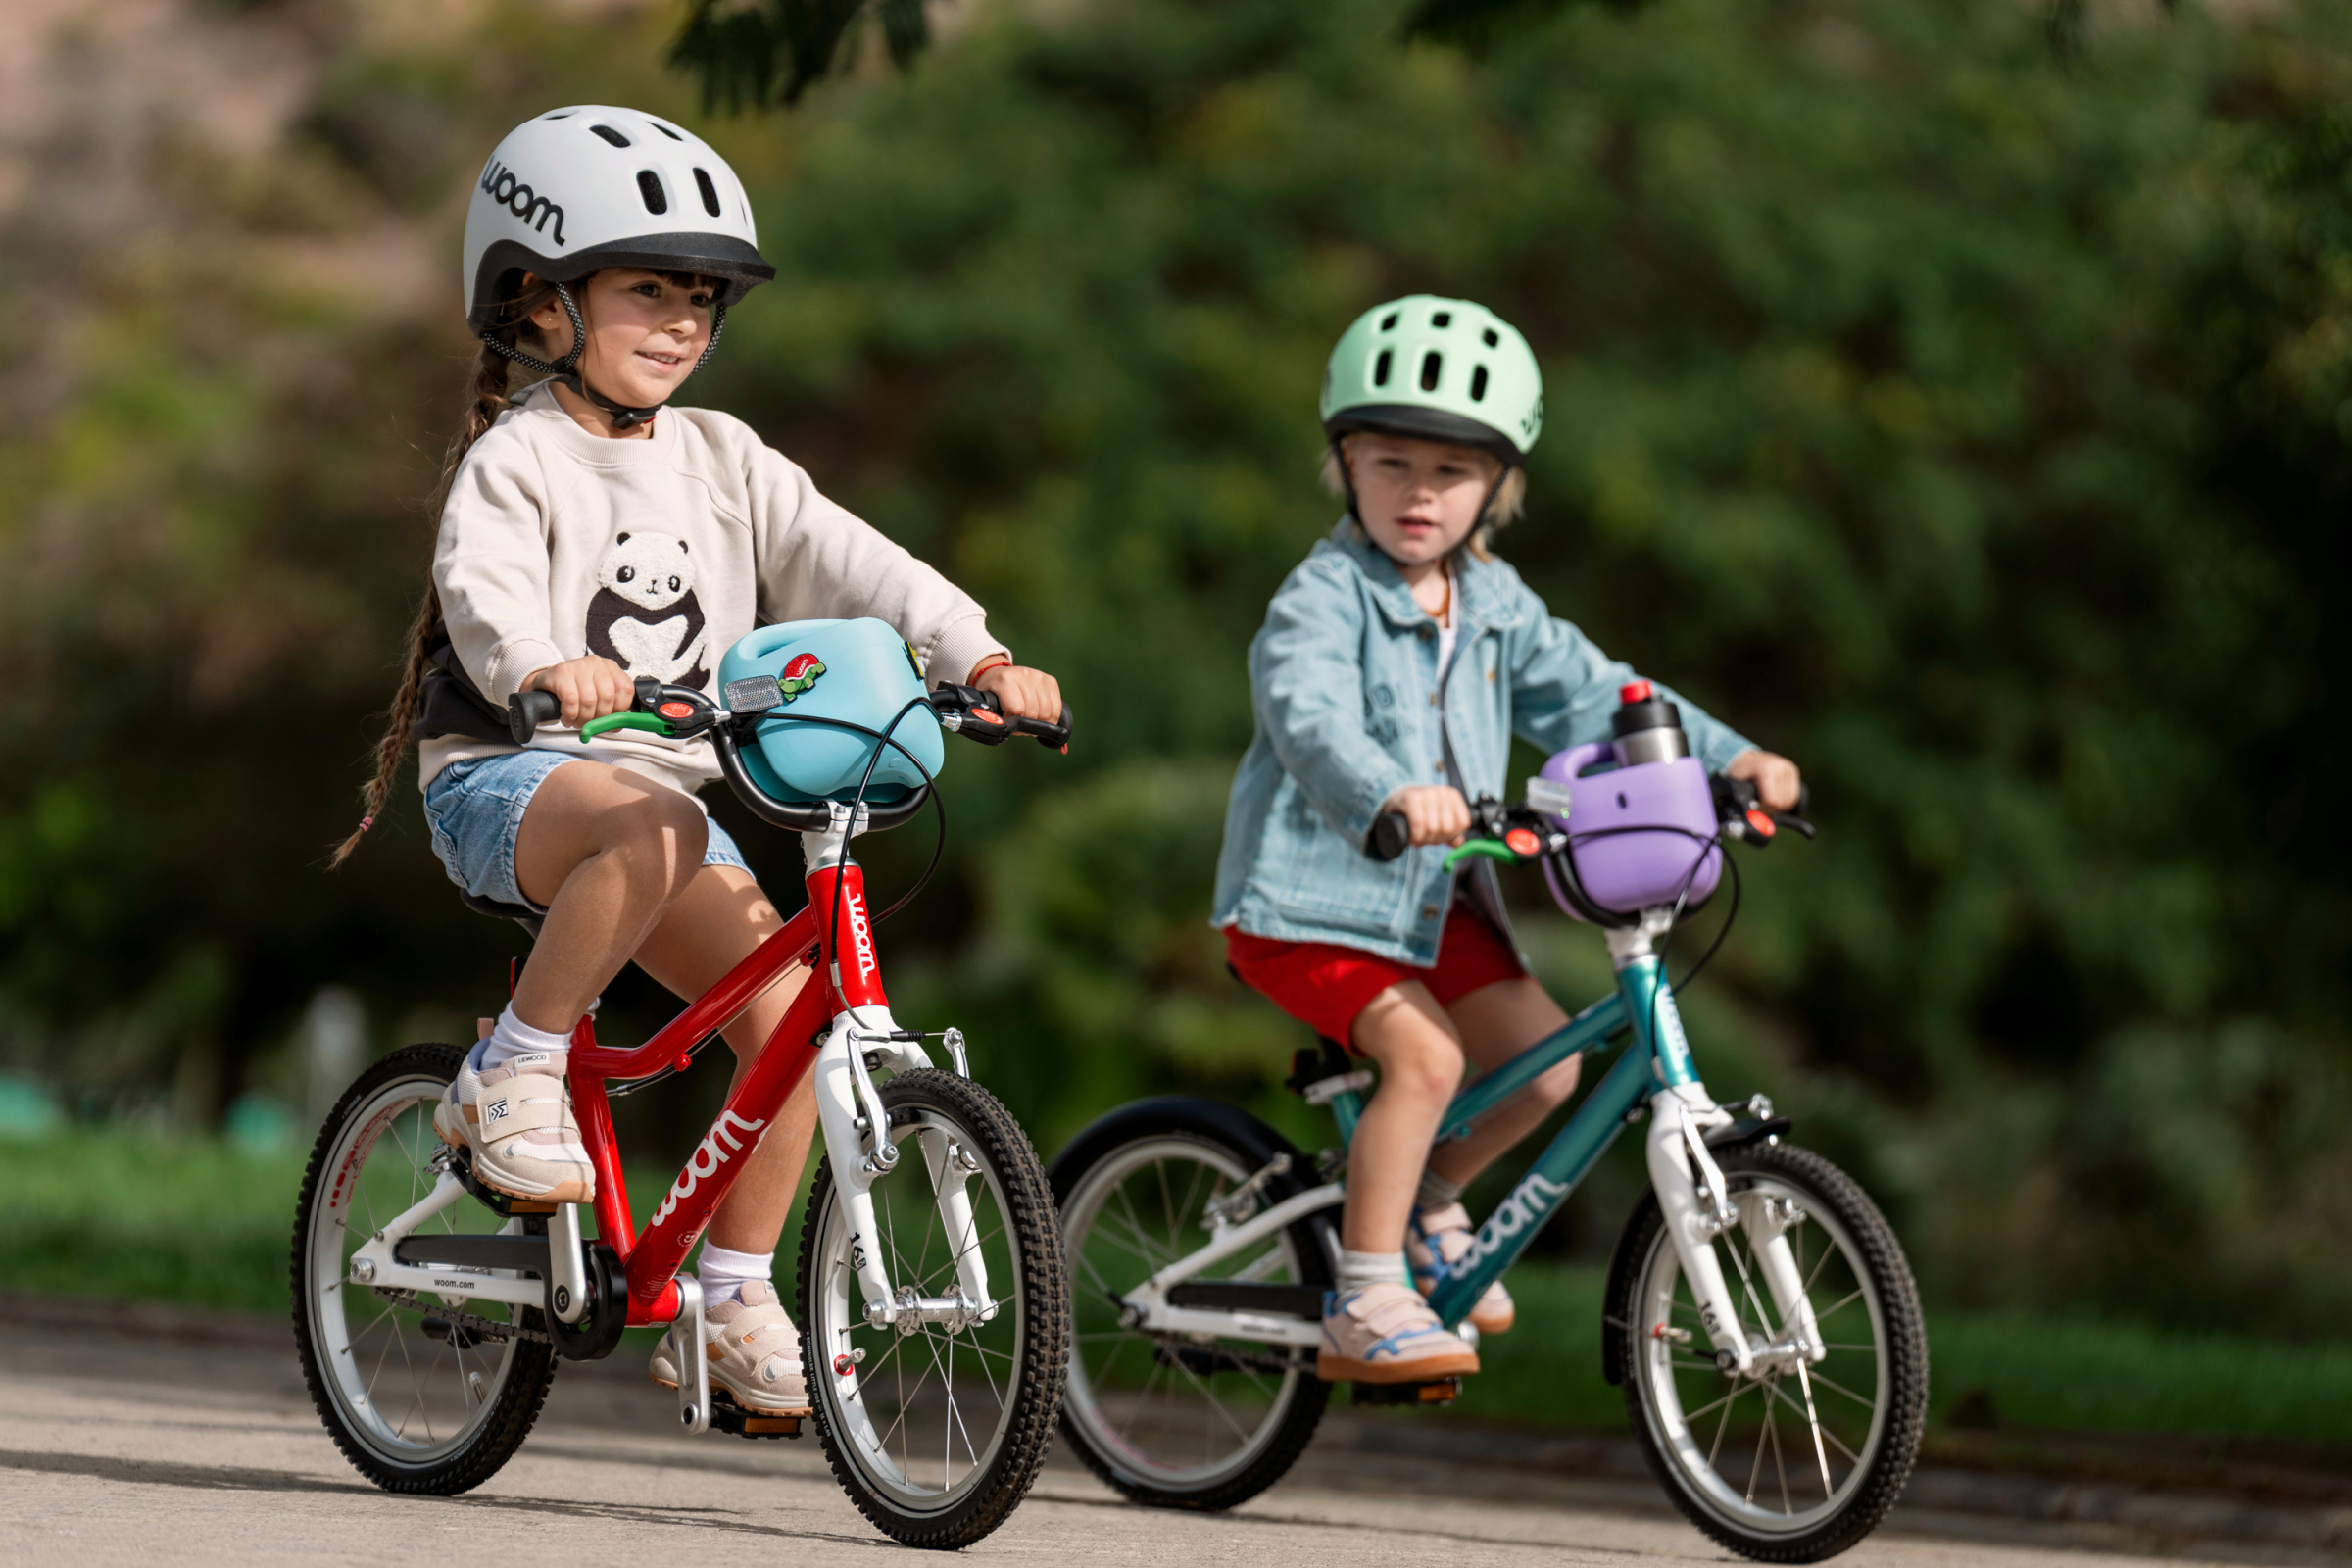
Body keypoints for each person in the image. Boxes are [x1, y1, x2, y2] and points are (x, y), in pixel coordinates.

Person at [331, 106, 1062, 1418]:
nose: (681, 322)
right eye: (646, 291)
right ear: (538, 301)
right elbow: (484, 591)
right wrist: (543, 663)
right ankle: (514, 1066)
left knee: (796, 1028)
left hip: (654, 806)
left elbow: (858, 560)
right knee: (654, 834)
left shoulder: (723, 456)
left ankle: (730, 1291)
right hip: (510, 780)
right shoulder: (520, 458)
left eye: (703, 299)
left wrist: (978, 653)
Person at [1210, 295, 1801, 1384]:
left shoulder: (1493, 602)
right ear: (1344, 462)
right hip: (1306, 903)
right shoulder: (1323, 596)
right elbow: (1308, 713)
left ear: (1500, 486)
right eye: (1390, 463)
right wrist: (1395, 790)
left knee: (1543, 1067)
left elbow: (1603, 696)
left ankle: (1424, 1194)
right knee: (1429, 1058)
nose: (1419, 493)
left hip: (1434, 906)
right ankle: (1369, 1289)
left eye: (1452, 471)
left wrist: (1728, 761)